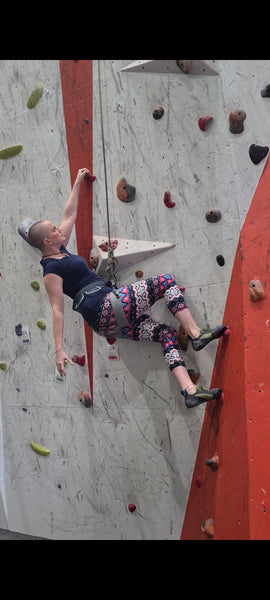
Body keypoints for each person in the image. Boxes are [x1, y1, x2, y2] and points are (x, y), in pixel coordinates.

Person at [27, 167, 227, 409]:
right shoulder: (51, 270)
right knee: (165, 282)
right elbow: (57, 310)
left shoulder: (61, 250)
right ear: (47, 241)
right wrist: (58, 350)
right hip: (104, 306)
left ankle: (189, 390)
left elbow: (69, 215)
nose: (60, 230)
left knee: (165, 334)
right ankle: (196, 335)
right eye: (54, 230)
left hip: (109, 322)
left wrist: (78, 182)